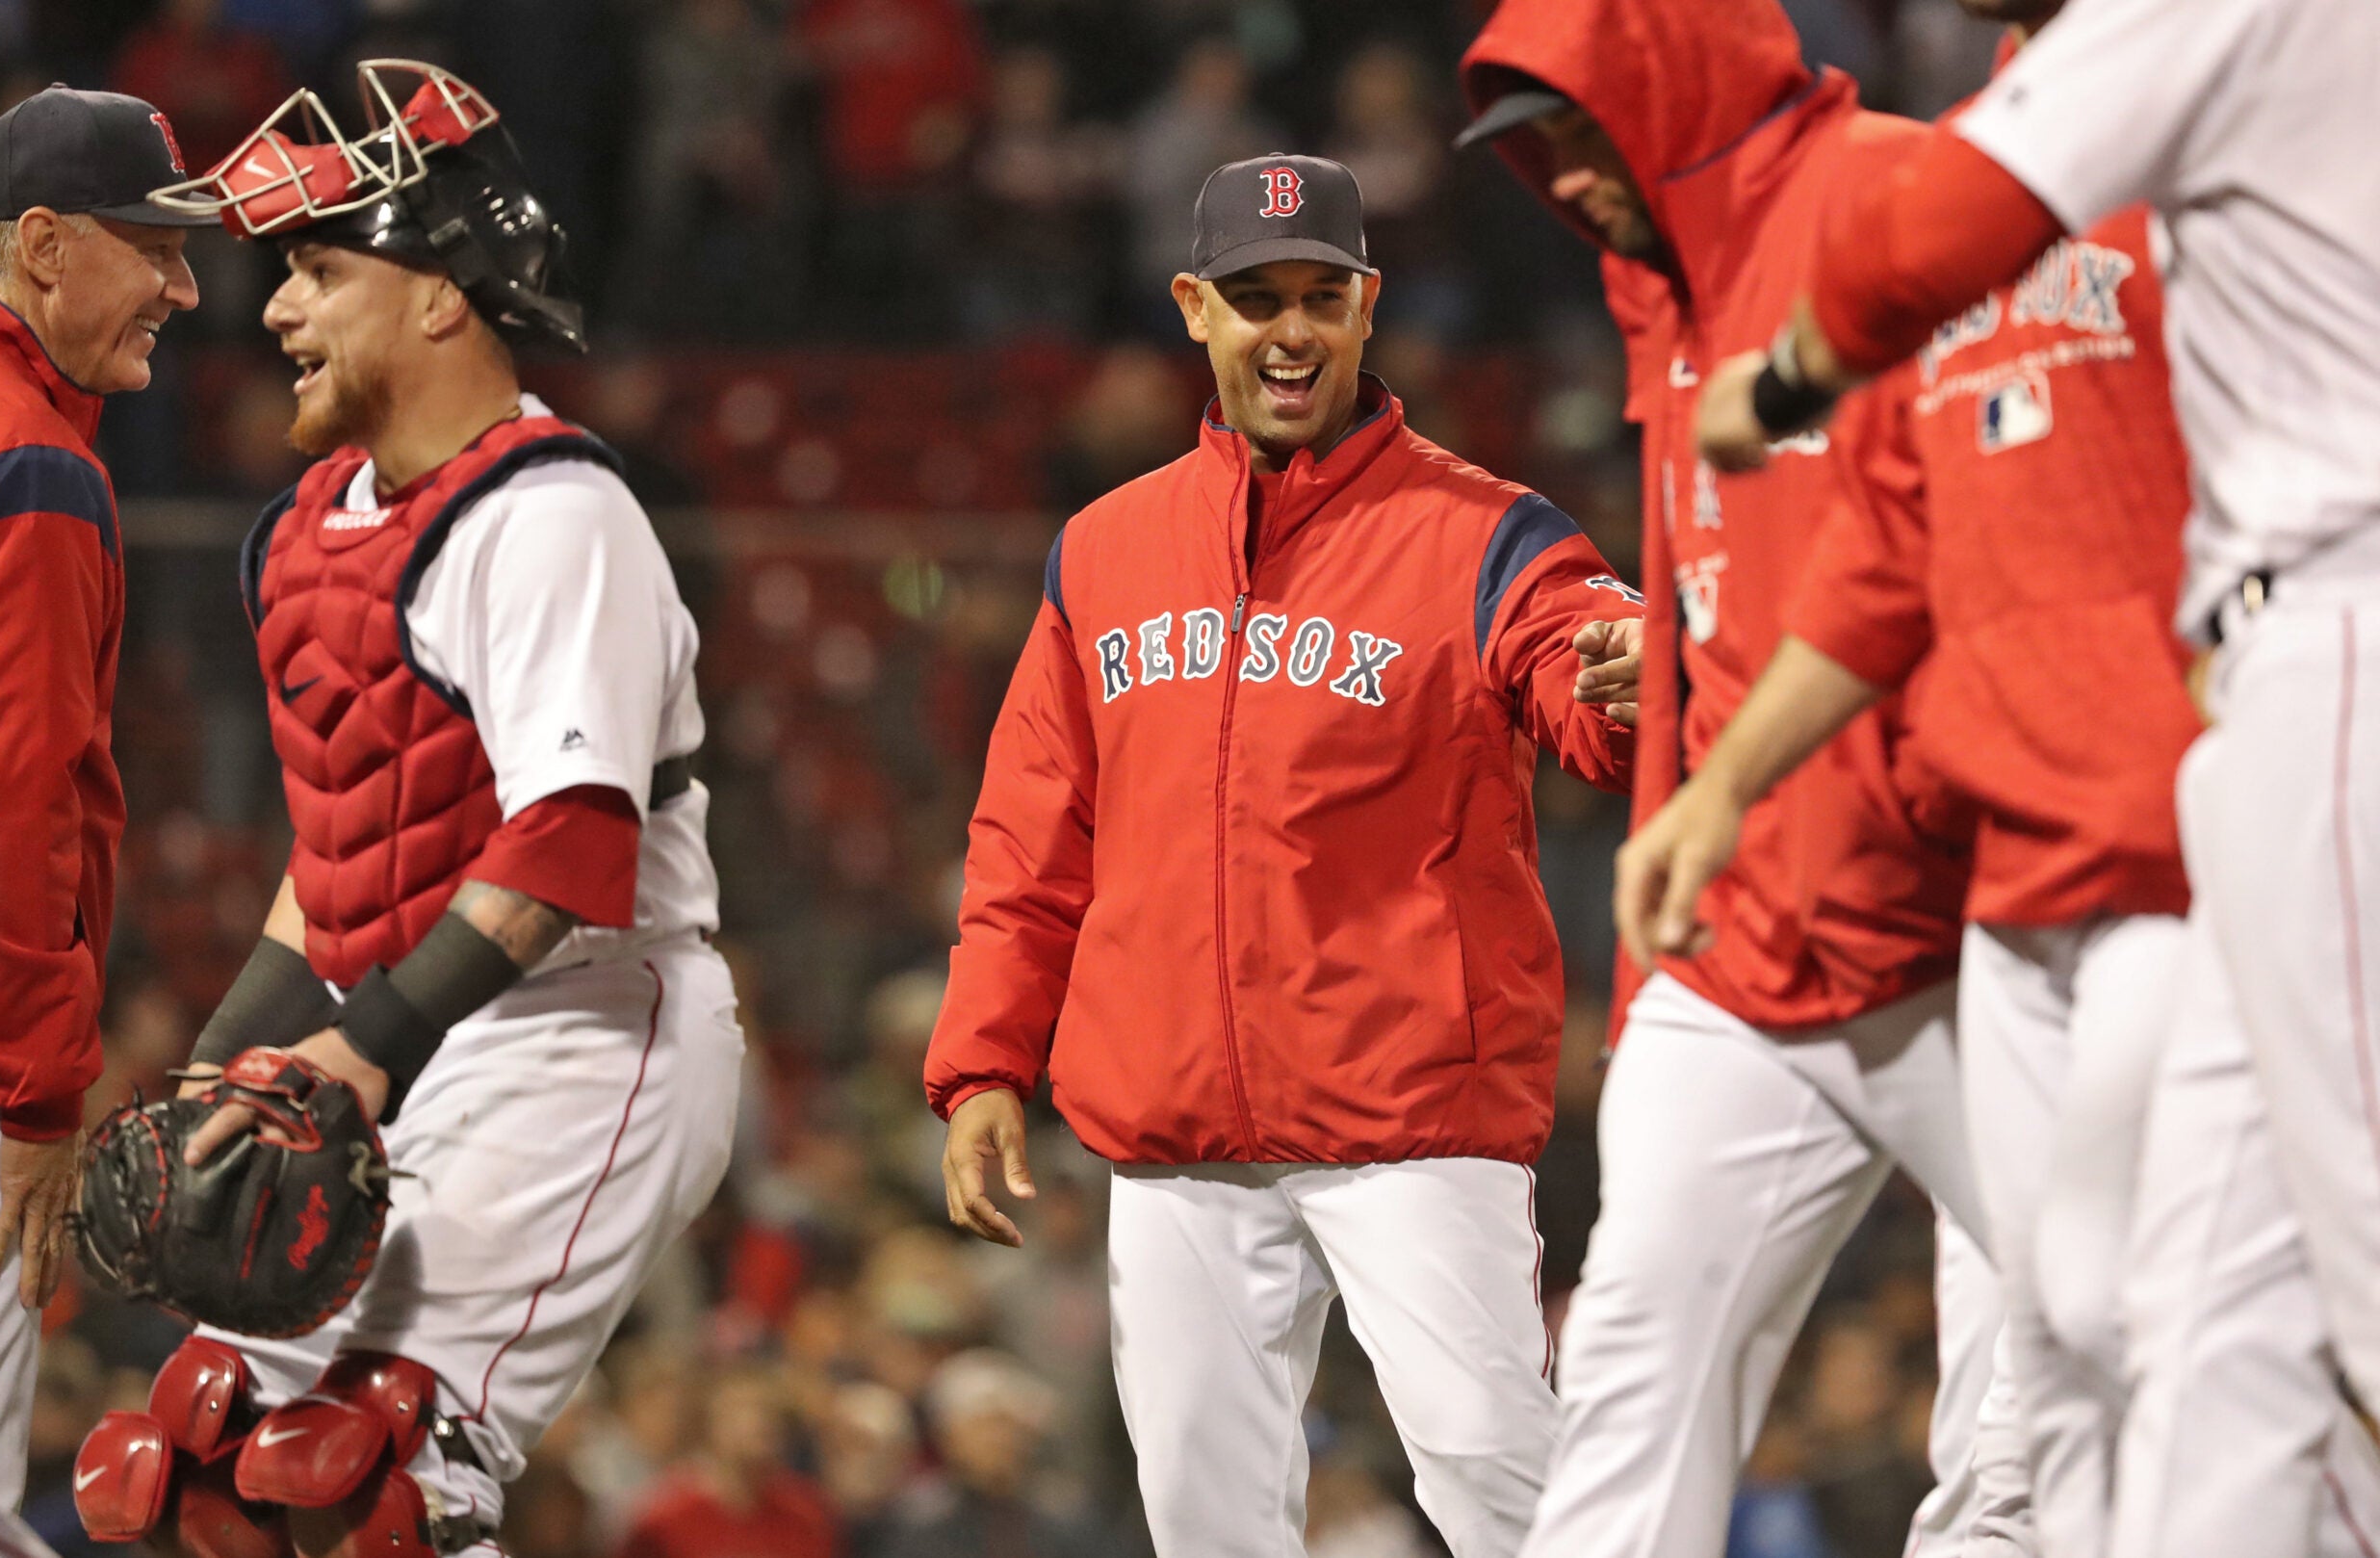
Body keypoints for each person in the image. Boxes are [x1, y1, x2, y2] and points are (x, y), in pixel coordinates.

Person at [1615, 4, 2380, 1554]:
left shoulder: (2175, 74)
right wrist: (1723, 782)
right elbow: (1891, 541)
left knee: (2326, 1270)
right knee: (2113, 1321)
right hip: (2046, 854)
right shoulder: (2021, 130)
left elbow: (1917, 256)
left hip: (2244, 752)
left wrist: (1788, 374)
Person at [68, 61, 744, 1557]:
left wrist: (358, 1052)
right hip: (420, 1029)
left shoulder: (555, 516)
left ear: (443, 294)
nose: (276, 312)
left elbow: (570, 844)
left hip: (585, 1027)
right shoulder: (310, 530)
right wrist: (220, 1059)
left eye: (319, 269)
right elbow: (338, 857)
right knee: (204, 1462)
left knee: (378, 1479)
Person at [925, 153, 1644, 1558]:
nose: (1291, 329)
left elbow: (1584, 667)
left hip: (1410, 1113)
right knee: (1204, 1519)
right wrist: (983, 1061)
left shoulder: (1486, 534)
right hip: (1176, 1129)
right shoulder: (1107, 549)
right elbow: (1031, 834)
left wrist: (1628, 676)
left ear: (1368, 307)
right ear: (1196, 308)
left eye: (1322, 293)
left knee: (1499, 1475)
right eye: (1258, 298)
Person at [1453, 2, 2032, 1555]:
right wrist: (1695, 696)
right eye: (1543, 150)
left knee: (2058, 1386)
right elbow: (1735, 565)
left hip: (1974, 925)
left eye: (1587, 130)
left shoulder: (1906, 189)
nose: (1568, 179)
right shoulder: (1661, 275)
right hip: (1750, 935)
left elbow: (1972, 524)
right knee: (1632, 1387)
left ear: (1677, 91)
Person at [0, 85, 209, 1511]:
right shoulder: (23, 452)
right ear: (40, 245)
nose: (183, 283)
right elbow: (8, 793)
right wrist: (37, 1084)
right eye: (150, 243)